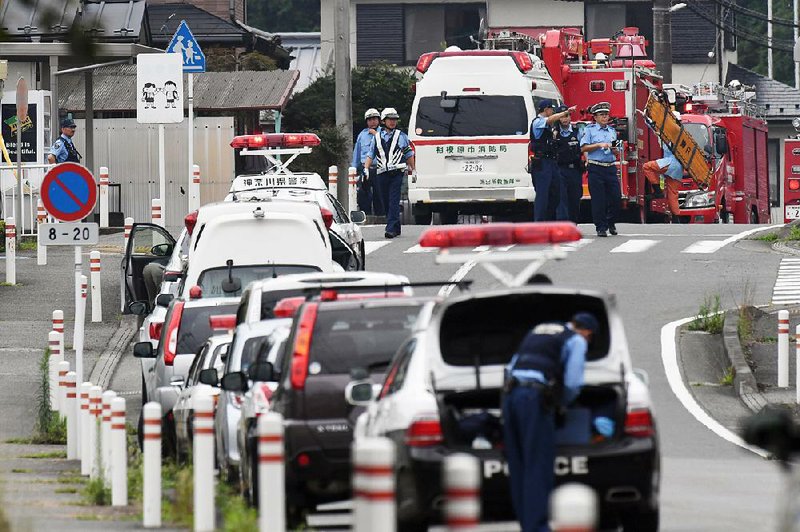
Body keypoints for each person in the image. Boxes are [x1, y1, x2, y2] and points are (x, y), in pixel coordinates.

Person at [502, 312, 597, 532]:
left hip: (510, 396)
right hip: (533, 400)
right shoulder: (576, 340)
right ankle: (537, 528)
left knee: (519, 464)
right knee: (537, 465)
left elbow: (511, 365)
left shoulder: (537, 331)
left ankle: (527, 524)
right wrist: (559, 404)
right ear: (588, 333)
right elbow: (573, 384)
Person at [363, 108, 416, 239]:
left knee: (393, 200)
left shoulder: (401, 136)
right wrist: (366, 168)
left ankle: (390, 228)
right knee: (385, 201)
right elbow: (371, 154)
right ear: (383, 121)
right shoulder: (376, 137)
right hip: (381, 173)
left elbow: (408, 153)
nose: (392, 122)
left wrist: (413, 169)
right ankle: (396, 226)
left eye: (394, 119)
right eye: (390, 119)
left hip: (397, 172)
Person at [530, 100, 575, 221]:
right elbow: (549, 120)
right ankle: (539, 225)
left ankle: (550, 222)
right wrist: (566, 112)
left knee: (555, 193)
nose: (553, 112)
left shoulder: (550, 126)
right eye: (551, 109)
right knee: (543, 195)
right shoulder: (538, 122)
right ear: (546, 110)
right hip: (542, 163)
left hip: (552, 162)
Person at [580, 102, 620, 237]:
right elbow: (583, 148)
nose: (605, 117)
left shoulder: (612, 131)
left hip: (610, 167)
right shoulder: (589, 130)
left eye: (606, 115)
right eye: (601, 115)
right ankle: (600, 227)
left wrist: (615, 150)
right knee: (598, 200)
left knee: (616, 198)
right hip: (596, 167)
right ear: (595, 117)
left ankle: (611, 221)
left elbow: (616, 151)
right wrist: (598, 145)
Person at [553, 105, 583, 223]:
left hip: (575, 169)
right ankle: (562, 224)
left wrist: (587, 162)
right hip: (560, 169)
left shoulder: (578, 131)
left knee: (575, 197)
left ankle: (573, 223)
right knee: (561, 198)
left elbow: (583, 148)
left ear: (570, 117)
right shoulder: (554, 132)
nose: (565, 119)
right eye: (562, 117)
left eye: (567, 116)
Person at [644, 141, 684, 222]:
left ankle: (657, 191)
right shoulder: (681, 138)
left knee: (647, 167)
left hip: (670, 163)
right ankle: (676, 219)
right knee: (672, 194)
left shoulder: (671, 135)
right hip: (678, 169)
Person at [352, 108, 382, 215]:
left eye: (374, 119)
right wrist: (353, 169)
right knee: (363, 193)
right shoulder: (362, 135)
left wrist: (376, 135)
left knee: (379, 194)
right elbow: (357, 152)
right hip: (366, 169)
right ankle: (366, 215)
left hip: (380, 168)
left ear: (379, 120)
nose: (372, 121)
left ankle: (381, 216)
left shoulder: (383, 133)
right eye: (369, 120)